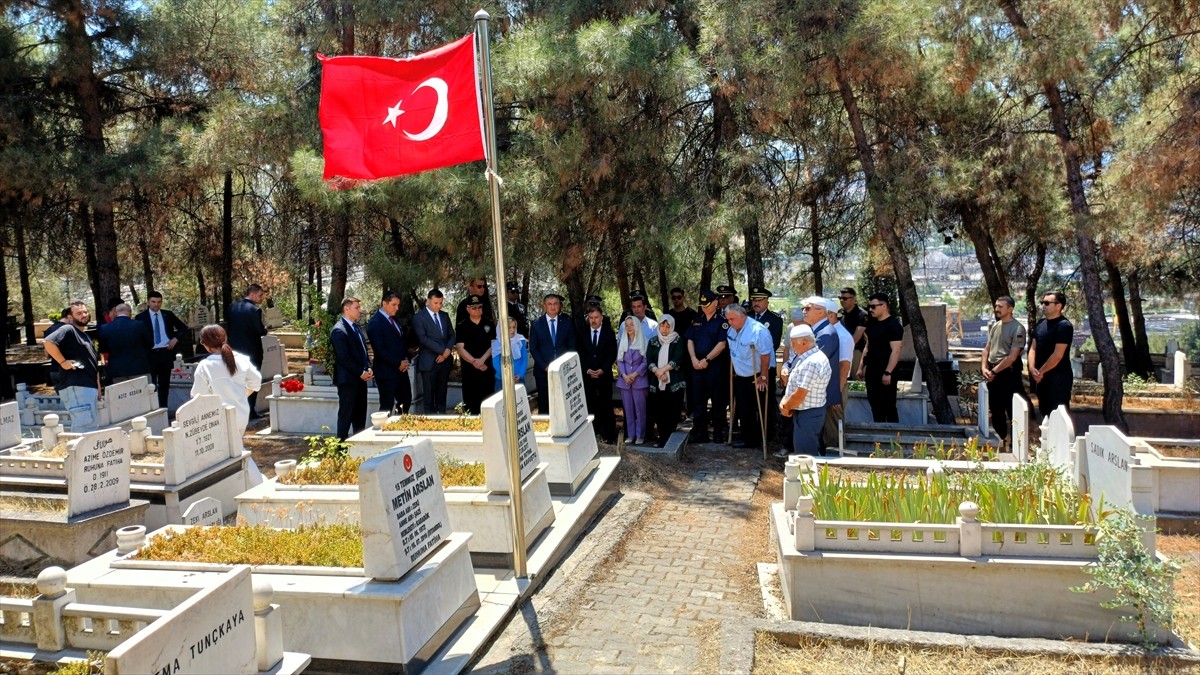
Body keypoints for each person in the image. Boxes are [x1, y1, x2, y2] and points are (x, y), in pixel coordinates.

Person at [42, 301, 101, 432]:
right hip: (76, 386)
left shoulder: (83, 335)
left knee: (90, 426)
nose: (84, 315)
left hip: (87, 386)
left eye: (85, 312)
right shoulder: (67, 329)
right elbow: (48, 342)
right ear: (70, 317)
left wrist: (97, 386)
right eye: (79, 313)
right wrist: (63, 362)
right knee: (83, 428)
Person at [190, 324, 262, 431]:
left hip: (216, 417)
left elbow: (198, 395)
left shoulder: (205, 366)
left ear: (205, 344)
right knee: (237, 444)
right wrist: (241, 395)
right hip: (241, 413)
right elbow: (256, 381)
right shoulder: (241, 359)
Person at [779, 324, 831, 456]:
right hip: (805, 413)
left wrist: (786, 407)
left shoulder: (812, 362)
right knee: (804, 452)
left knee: (805, 456)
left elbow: (799, 394)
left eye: (793, 342)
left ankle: (807, 477)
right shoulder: (808, 357)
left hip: (808, 414)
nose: (791, 345)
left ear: (804, 342)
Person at [725, 303, 773, 449]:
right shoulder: (732, 331)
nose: (730, 322)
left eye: (732, 319)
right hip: (741, 375)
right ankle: (748, 439)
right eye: (728, 319)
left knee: (759, 407)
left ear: (743, 316)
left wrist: (763, 376)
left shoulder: (758, 331)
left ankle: (764, 438)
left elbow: (765, 355)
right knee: (744, 408)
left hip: (757, 375)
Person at [981, 295, 1028, 440]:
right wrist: (984, 368)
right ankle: (1000, 440)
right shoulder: (996, 325)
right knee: (995, 410)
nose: (997, 309)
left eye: (1000, 307)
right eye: (996, 306)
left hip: (1008, 374)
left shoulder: (1018, 329)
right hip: (992, 373)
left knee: (1012, 409)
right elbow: (987, 349)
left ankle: (1016, 443)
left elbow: (1012, 357)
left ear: (1010, 309)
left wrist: (994, 371)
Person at [686, 289, 729, 443]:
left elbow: (722, 344)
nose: (704, 307)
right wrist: (693, 358)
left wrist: (707, 359)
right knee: (698, 401)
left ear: (715, 303)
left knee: (718, 402)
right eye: (702, 305)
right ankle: (700, 432)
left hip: (715, 368)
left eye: (707, 304)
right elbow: (690, 340)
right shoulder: (697, 320)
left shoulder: (722, 322)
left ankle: (718, 433)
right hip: (697, 367)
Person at [801, 296, 843, 451]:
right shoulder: (817, 331)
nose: (804, 312)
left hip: (820, 393)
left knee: (818, 438)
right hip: (816, 393)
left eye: (807, 308)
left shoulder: (825, 333)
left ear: (820, 312)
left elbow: (810, 362)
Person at [135, 291, 189, 408]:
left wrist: (175, 339)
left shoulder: (167, 314)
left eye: (159, 302)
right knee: (151, 385)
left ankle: (164, 408)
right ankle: (154, 409)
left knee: (164, 384)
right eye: (153, 302)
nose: (156, 305)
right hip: (150, 354)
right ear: (148, 302)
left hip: (166, 353)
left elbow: (183, 328)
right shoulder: (140, 317)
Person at [856, 293, 903, 423]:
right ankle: (879, 437)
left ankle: (893, 438)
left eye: (873, 306)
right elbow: (868, 346)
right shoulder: (872, 324)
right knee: (875, 406)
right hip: (872, 370)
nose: (870, 309)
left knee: (888, 407)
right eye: (869, 306)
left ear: (884, 306)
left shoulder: (893, 326)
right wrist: (861, 367)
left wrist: (888, 372)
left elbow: (896, 351)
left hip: (886, 371)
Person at [330, 297, 373, 440]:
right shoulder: (339, 330)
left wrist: (368, 367)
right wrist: (360, 372)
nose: (360, 311)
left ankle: (358, 447)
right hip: (348, 381)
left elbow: (363, 351)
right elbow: (344, 358)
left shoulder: (355, 327)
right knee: (346, 416)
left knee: (360, 416)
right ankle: (340, 450)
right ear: (346, 308)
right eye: (357, 308)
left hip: (360, 380)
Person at [1028, 291, 1074, 420]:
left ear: (1059, 306)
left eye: (1047, 303)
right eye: (1042, 302)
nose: (1043, 305)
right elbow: (1033, 347)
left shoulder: (1064, 326)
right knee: (1045, 412)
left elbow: (1058, 355)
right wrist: (1032, 368)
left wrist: (1040, 372)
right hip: (1041, 379)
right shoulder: (1041, 323)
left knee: (1059, 416)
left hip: (1058, 379)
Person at [366, 291, 412, 415]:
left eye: (398, 305)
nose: (397, 308)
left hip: (401, 370)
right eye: (394, 305)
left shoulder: (394, 320)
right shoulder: (375, 323)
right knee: (387, 405)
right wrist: (398, 363)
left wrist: (406, 360)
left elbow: (400, 343)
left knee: (406, 400)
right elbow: (379, 350)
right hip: (386, 371)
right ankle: (383, 430)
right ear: (384, 303)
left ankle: (400, 428)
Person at [529, 293, 576, 413]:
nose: (553, 307)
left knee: (563, 402)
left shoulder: (567, 322)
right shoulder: (536, 324)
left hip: (563, 370)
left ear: (559, 306)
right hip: (542, 370)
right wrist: (545, 366)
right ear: (545, 306)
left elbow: (571, 347)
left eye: (555, 304)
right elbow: (533, 349)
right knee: (544, 402)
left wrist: (564, 365)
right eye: (549, 304)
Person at [412, 289, 456, 414]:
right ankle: (430, 423)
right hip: (429, 362)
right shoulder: (419, 317)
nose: (439, 305)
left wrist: (447, 351)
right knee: (429, 396)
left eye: (441, 303)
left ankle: (442, 419)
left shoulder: (444, 315)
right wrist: (442, 351)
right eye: (436, 303)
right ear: (428, 301)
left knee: (442, 394)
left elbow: (452, 335)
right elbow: (423, 339)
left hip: (444, 362)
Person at [227, 284, 268, 417]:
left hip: (235, 350)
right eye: (260, 295)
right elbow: (260, 331)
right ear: (252, 294)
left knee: (237, 379)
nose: (262, 298)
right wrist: (267, 330)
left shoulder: (232, 307)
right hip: (252, 350)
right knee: (253, 379)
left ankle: (237, 408)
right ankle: (250, 410)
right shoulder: (255, 310)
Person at [578, 305, 617, 442]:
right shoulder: (582, 333)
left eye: (596, 318)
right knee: (590, 405)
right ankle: (594, 435)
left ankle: (610, 436)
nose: (593, 321)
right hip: (588, 375)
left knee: (606, 405)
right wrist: (587, 369)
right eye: (591, 318)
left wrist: (603, 369)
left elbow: (612, 354)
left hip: (604, 375)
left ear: (601, 318)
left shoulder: (609, 333)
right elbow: (579, 354)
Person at [749, 287, 784, 438]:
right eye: (754, 300)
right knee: (749, 401)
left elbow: (773, 344)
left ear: (767, 301)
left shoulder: (775, 319)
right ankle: (750, 433)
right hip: (748, 367)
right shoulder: (746, 317)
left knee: (765, 401)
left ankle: (767, 432)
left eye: (759, 300)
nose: (756, 303)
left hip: (765, 367)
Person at [646, 315, 685, 448]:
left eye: (668, 326)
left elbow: (678, 358)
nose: (665, 329)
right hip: (657, 381)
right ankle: (661, 438)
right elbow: (649, 359)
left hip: (673, 381)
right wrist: (657, 371)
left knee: (672, 411)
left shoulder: (677, 340)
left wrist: (663, 370)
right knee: (658, 410)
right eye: (662, 325)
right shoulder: (653, 341)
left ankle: (669, 438)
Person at [455, 294, 496, 414]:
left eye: (479, 307)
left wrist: (482, 360)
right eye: (474, 308)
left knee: (488, 401)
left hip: (486, 368)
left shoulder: (489, 323)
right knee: (471, 403)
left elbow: (493, 345)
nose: (477, 310)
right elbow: (460, 348)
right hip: (470, 370)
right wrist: (475, 362)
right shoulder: (462, 326)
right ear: (468, 309)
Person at [824, 299, 855, 448]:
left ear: (830, 315)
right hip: (829, 386)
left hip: (836, 386)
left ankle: (836, 455)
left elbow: (844, 366)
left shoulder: (842, 336)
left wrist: (836, 392)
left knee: (834, 425)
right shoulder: (830, 332)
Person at [616, 316, 649, 445]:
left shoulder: (644, 340)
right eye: (627, 325)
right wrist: (624, 375)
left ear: (637, 326)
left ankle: (641, 435)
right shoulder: (622, 341)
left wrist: (634, 374)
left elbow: (646, 361)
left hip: (639, 380)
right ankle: (631, 435)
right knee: (628, 409)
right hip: (625, 381)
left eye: (632, 324)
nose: (629, 327)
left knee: (640, 410)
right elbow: (619, 360)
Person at [99, 304, 152, 384]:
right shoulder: (139, 325)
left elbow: (103, 349)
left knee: (121, 395)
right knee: (142, 395)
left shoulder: (105, 328)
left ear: (116, 313)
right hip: (139, 368)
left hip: (117, 371)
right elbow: (150, 344)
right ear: (130, 312)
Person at [838, 287, 869, 380]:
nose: (842, 301)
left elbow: (856, 338)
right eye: (840, 298)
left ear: (854, 299)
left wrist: (844, 349)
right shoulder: (840, 313)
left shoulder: (862, 315)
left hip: (856, 351)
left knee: (857, 379)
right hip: (841, 350)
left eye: (845, 298)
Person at [492, 318, 528, 391]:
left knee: (520, 401)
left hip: (518, 378)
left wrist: (520, 375)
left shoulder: (520, 340)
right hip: (502, 380)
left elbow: (524, 359)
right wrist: (508, 377)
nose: (512, 330)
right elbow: (496, 363)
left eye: (514, 327)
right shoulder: (497, 343)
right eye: (509, 327)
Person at [46, 307, 72, 392]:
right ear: (69, 317)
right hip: (67, 370)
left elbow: (46, 354)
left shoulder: (49, 329)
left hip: (53, 370)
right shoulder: (68, 329)